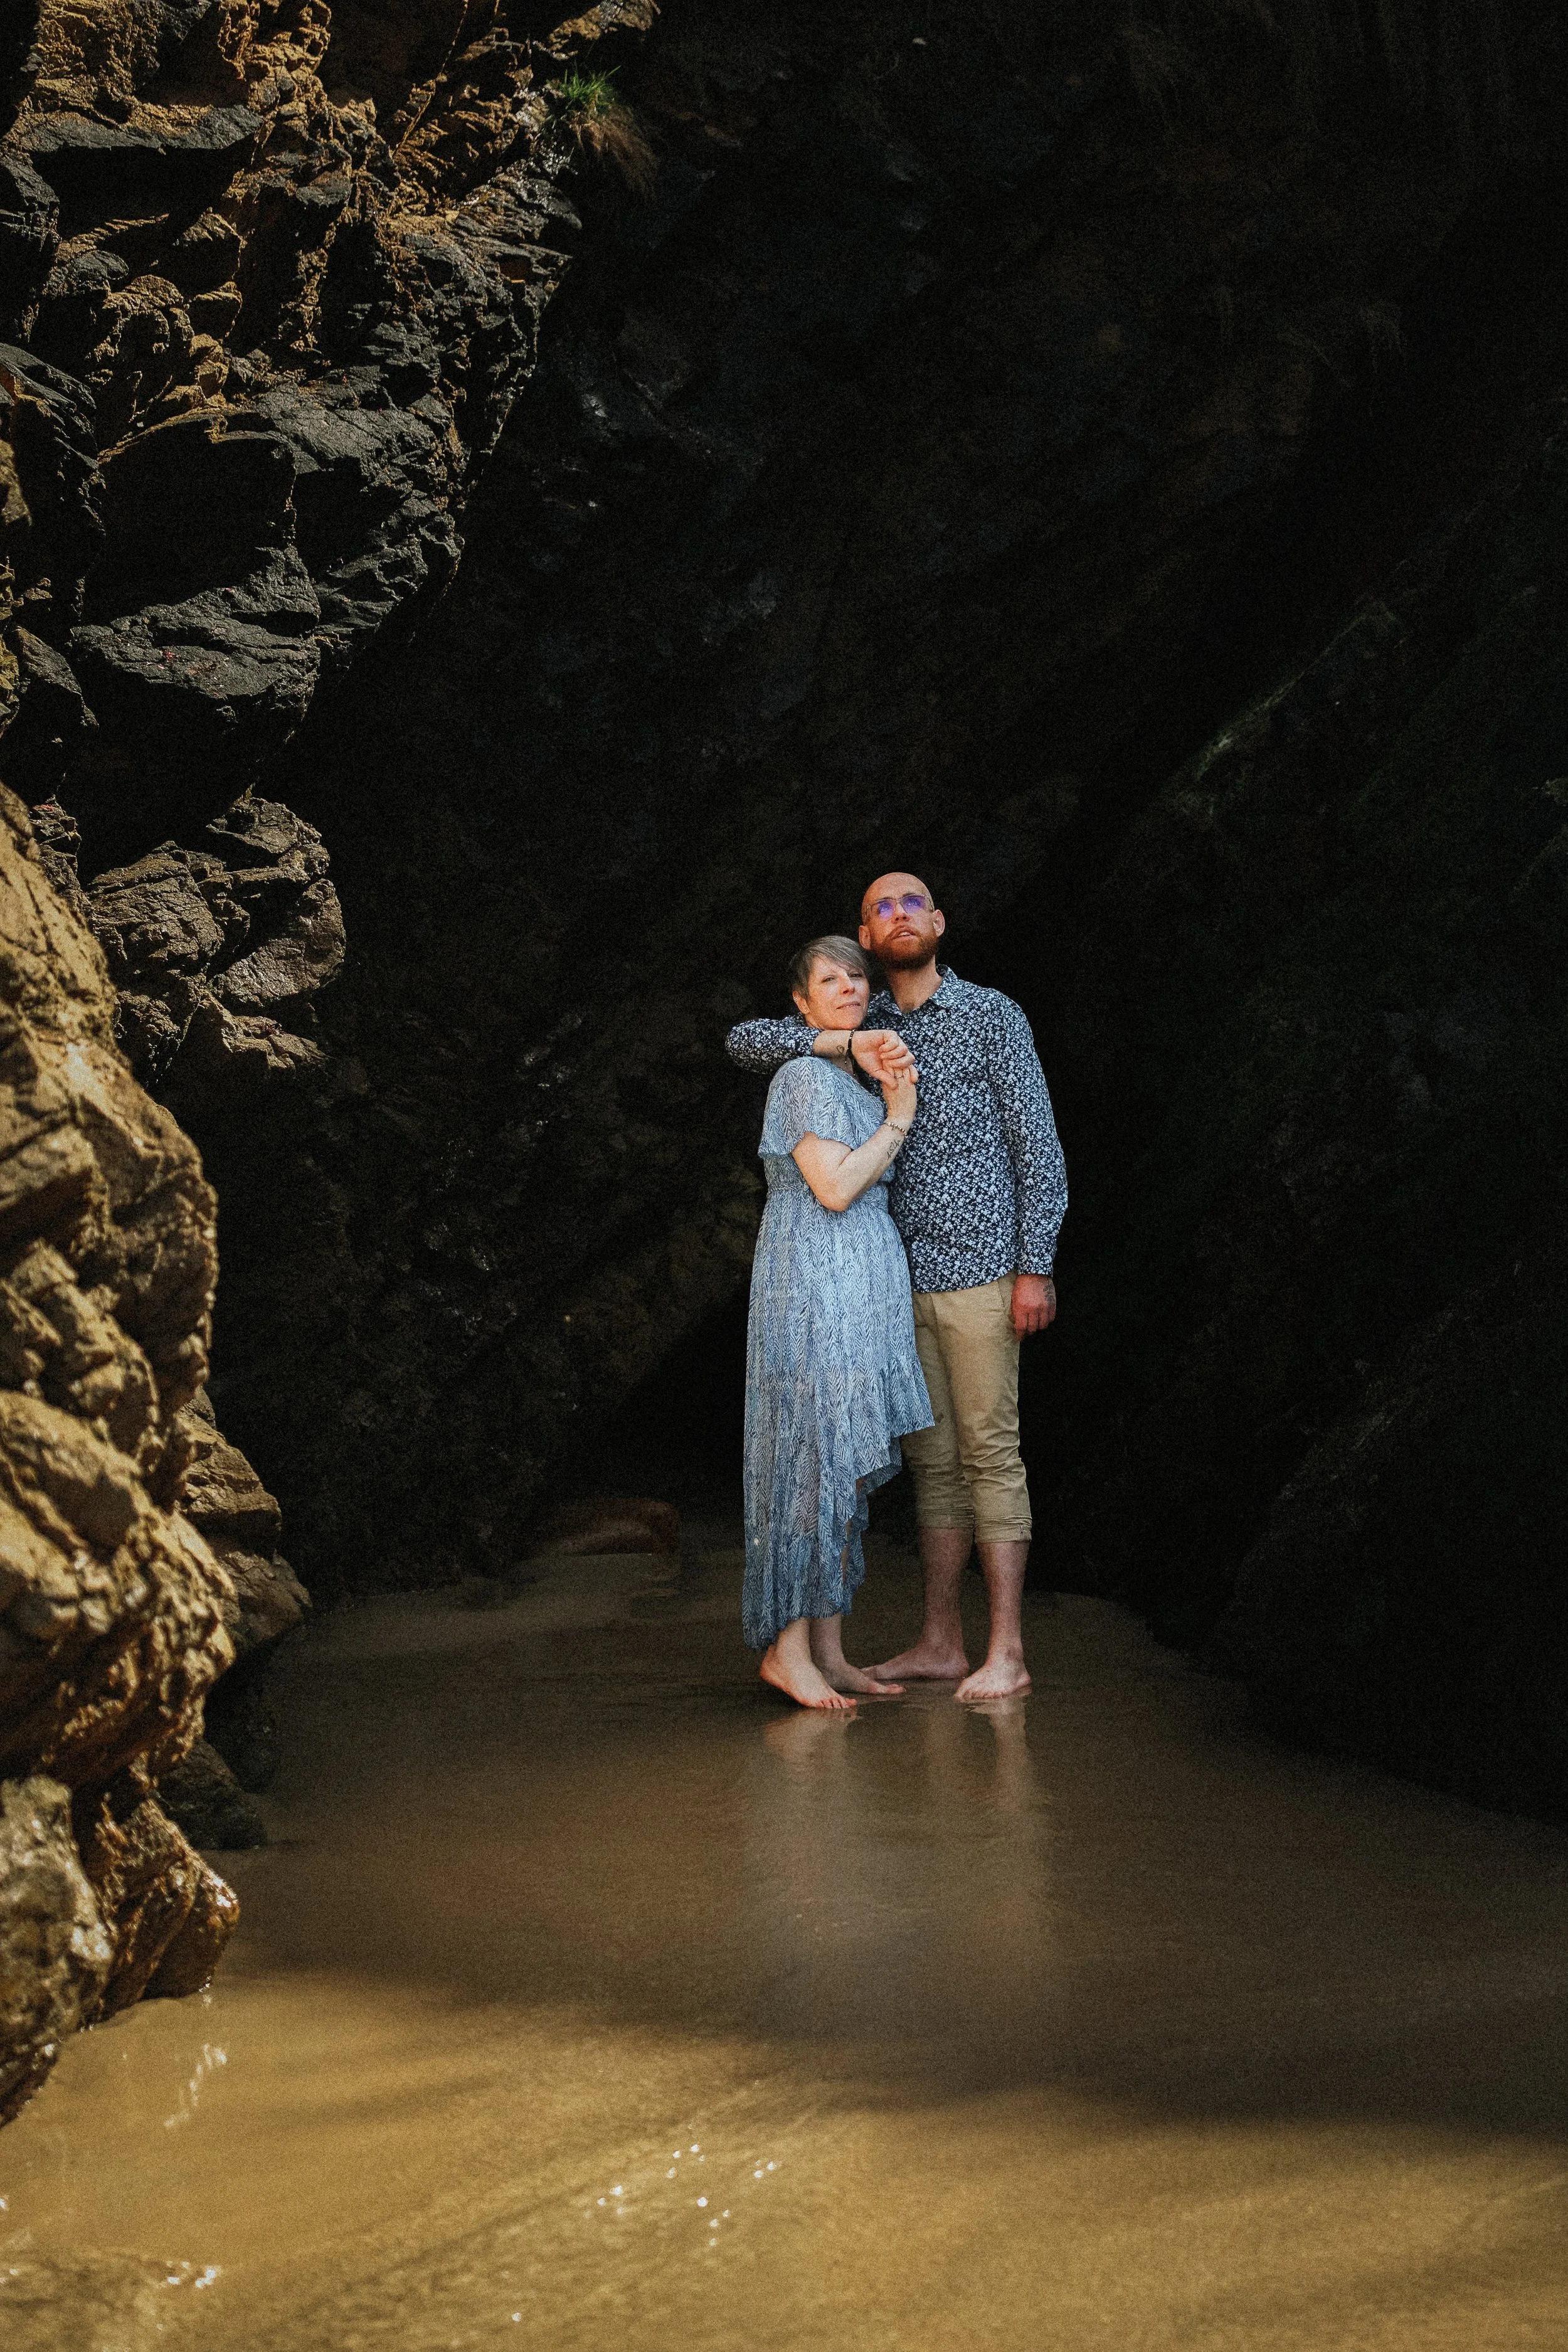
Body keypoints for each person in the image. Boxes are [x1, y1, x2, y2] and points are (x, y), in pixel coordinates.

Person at [728, 873, 1066, 1701]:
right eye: (881, 908)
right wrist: (843, 1043)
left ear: (940, 922)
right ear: (865, 940)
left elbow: (1039, 1146)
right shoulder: (860, 1023)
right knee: (935, 1465)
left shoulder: (991, 1014)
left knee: (991, 1453)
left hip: (983, 1263)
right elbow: (746, 1041)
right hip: (886, 1281)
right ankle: (941, 1643)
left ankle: (1008, 1653)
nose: (899, 915)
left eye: (914, 902)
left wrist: (1036, 1263)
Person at [743, 935, 933, 1710]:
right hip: (813, 1279)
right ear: (803, 1003)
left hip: (859, 1284)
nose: (850, 988)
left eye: (857, 976)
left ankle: (828, 1649)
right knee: (810, 1452)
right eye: (830, 979)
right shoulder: (800, 1076)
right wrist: (901, 1115)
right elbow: (832, 1188)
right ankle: (787, 1650)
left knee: (840, 1466)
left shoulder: (848, 1082)